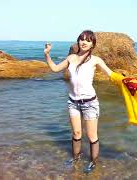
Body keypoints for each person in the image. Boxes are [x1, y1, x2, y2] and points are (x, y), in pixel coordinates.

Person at [44, 30, 113, 173]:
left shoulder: (95, 60)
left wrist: (127, 82)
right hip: (73, 102)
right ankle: (76, 157)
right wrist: (47, 54)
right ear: (78, 41)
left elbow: (111, 74)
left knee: (92, 135)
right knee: (76, 133)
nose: (84, 42)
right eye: (81, 39)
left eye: (88, 40)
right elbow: (55, 68)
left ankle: (94, 162)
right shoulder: (71, 58)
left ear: (93, 44)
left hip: (90, 103)